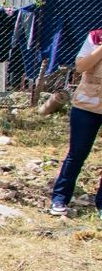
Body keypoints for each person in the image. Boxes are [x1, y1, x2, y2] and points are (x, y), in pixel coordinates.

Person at [48, 27, 102, 217]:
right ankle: (60, 198)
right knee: (77, 153)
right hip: (87, 104)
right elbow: (80, 66)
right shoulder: (96, 36)